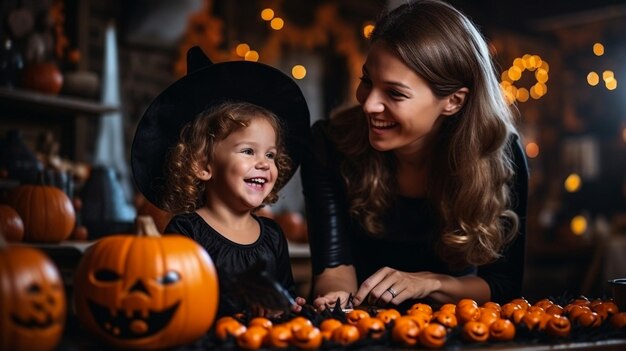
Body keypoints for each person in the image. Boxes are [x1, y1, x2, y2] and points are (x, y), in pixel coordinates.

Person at [301, 0, 528, 311]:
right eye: (367, 81)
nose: (368, 105)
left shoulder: (499, 154)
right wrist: (334, 303)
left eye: (394, 93)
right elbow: (334, 269)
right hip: (364, 327)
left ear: (453, 101)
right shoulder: (328, 144)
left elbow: (502, 286)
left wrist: (430, 282)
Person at [131, 46, 311, 317]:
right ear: (203, 165)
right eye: (248, 151)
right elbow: (176, 305)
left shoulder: (273, 236)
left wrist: (287, 306)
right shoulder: (186, 233)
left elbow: (285, 295)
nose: (264, 162)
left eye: (271, 154)